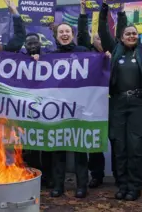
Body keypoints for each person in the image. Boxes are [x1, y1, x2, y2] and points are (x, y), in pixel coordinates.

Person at [98, 0, 142, 201]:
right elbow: (103, 31)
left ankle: (134, 187)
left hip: (139, 104)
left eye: (134, 33)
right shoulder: (115, 51)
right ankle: (121, 185)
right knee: (119, 147)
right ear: (121, 38)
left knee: (135, 148)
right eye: (127, 33)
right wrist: (104, 6)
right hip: (118, 104)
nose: (131, 35)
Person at [77, 0, 120, 188]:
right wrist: (83, 11)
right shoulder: (88, 55)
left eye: (102, 37)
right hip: (94, 104)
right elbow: (82, 35)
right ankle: (97, 174)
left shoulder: (116, 52)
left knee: (116, 140)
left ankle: (119, 174)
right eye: (96, 38)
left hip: (114, 104)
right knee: (94, 140)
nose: (99, 40)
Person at [47, 22, 91, 199]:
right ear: (56, 35)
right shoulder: (50, 56)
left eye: (67, 31)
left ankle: (82, 186)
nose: (64, 34)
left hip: (79, 107)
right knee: (58, 150)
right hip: (58, 109)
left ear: (72, 34)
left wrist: (106, 56)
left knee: (80, 148)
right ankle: (58, 186)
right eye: (61, 32)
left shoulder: (83, 51)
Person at [21, 32, 54, 189]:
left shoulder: (50, 59)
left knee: (47, 147)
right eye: (29, 43)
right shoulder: (17, 61)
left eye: (35, 43)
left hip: (47, 109)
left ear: (41, 44)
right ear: (25, 46)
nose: (33, 46)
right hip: (27, 110)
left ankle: (48, 178)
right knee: (31, 147)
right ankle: (35, 178)